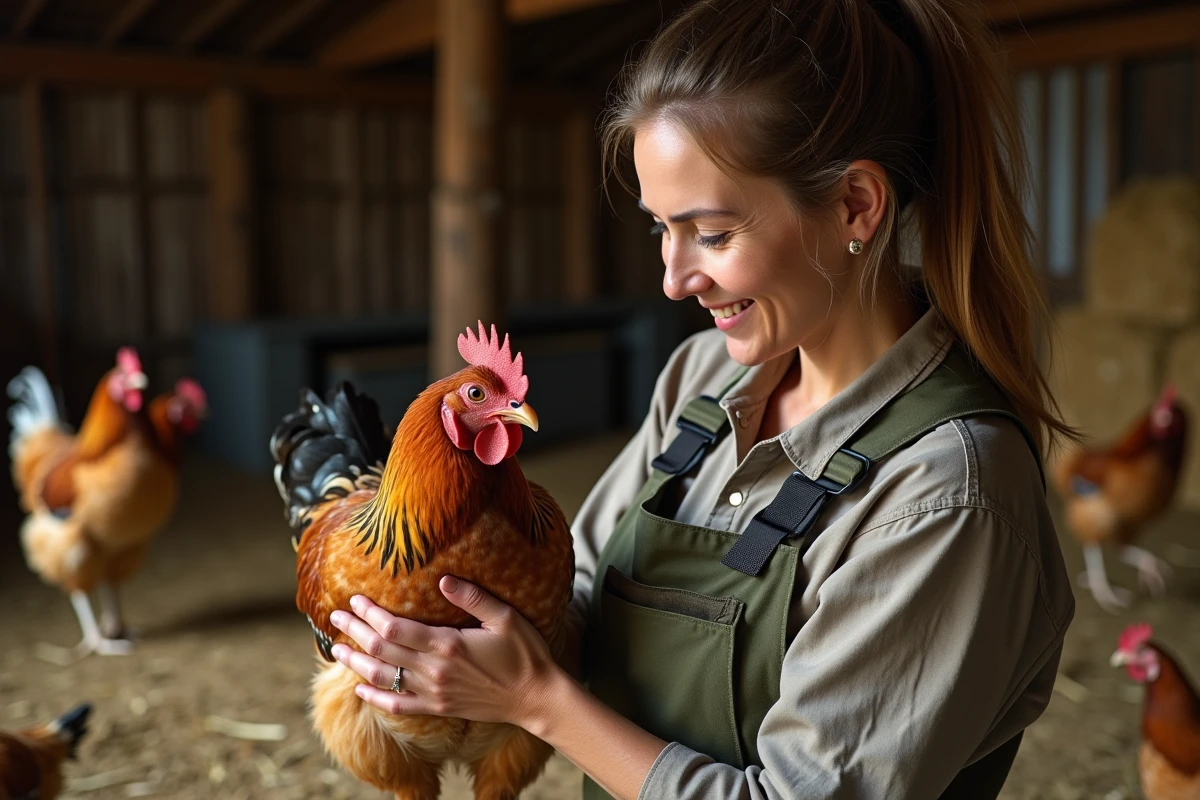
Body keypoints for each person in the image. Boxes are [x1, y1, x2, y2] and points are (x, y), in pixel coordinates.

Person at [325, 0, 1076, 797]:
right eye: (661, 229)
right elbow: (577, 599)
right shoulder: (701, 380)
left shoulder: (945, 494)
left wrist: (538, 702)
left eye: (712, 234)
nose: (674, 279)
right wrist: (430, 633)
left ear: (856, 205)